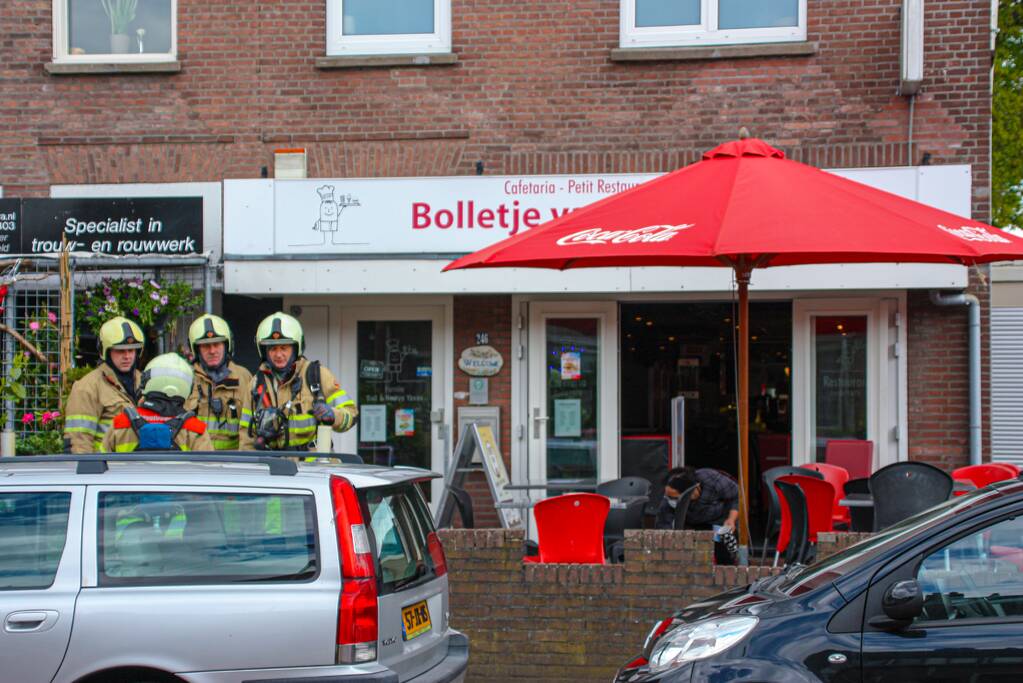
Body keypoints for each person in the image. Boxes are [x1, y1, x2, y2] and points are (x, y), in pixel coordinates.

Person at [239, 312, 357, 451]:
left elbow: (351, 414)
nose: (278, 354)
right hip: (274, 462)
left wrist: (332, 415)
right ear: (264, 351)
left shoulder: (317, 375)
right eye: (273, 348)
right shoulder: (256, 385)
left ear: (296, 348)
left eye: (284, 348)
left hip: (315, 462)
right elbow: (246, 436)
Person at [64, 316, 144, 453]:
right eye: (120, 350)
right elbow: (79, 441)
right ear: (105, 351)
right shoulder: (87, 387)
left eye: (131, 350)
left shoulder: (145, 381)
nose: (127, 356)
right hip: (106, 464)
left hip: (139, 463)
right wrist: (90, 466)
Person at [102, 353, 213, 453]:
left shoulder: (120, 424)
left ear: (146, 381)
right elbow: (208, 467)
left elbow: (101, 465)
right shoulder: (196, 429)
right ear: (188, 387)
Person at [184, 314, 253, 451]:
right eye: (206, 346)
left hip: (233, 461)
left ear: (227, 345)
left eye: (217, 344)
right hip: (195, 460)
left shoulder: (244, 377)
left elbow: (250, 431)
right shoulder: (186, 378)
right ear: (196, 349)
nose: (212, 351)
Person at [655, 466, 740, 564]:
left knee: (725, 556)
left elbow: (737, 495)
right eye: (668, 497)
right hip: (693, 523)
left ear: (693, 489)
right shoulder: (667, 502)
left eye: (675, 498)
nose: (671, 500)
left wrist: (731, 519)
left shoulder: (711, 479)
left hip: (719, 519)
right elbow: (663, 526)